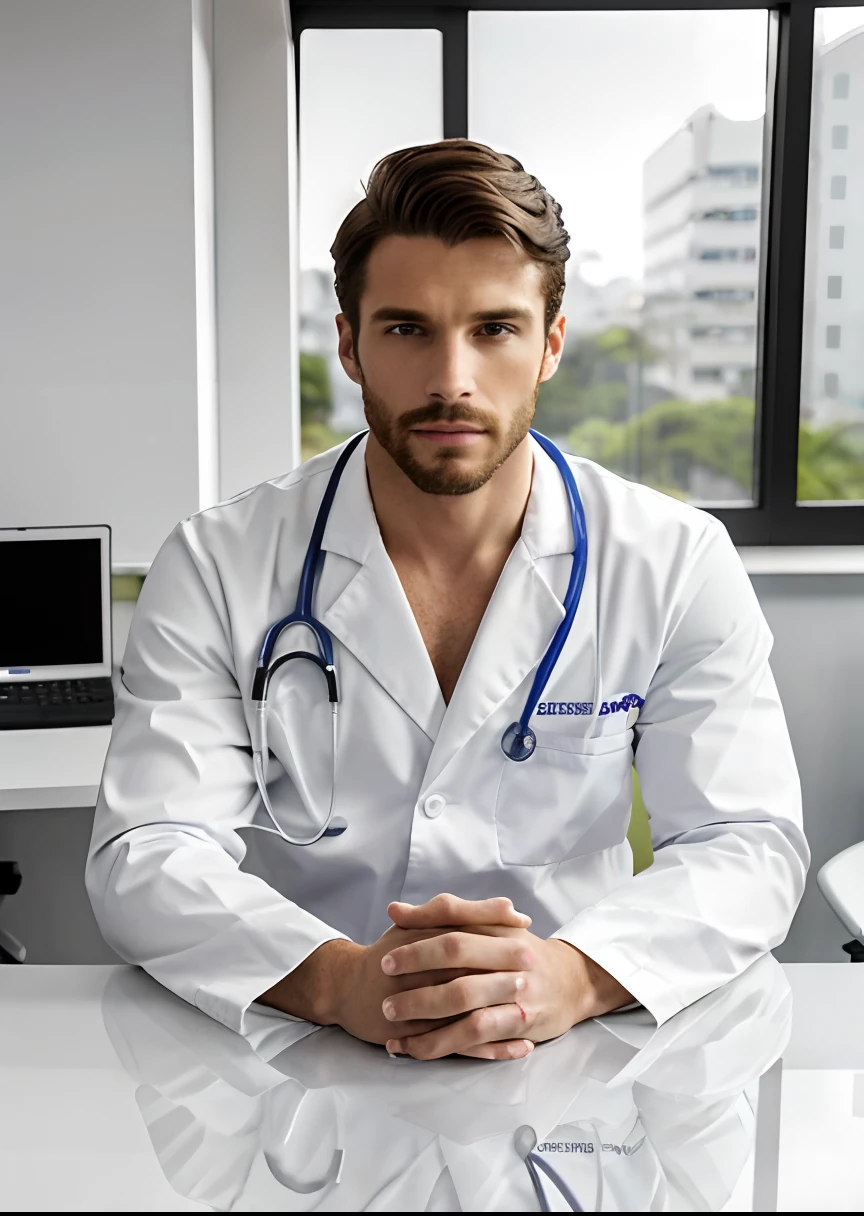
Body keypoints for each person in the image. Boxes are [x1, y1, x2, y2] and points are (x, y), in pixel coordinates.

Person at [86, 139, 809, 1062]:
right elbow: (147, 850)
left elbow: (747, 844)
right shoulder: (220, 562)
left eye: (495, 329)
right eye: (406, 329)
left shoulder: (673, 560)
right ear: (348, 343)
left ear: (550, 344)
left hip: (581, 1061)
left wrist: (576, 974)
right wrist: (337, 979)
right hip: (300, 1055)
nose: (451, 380)